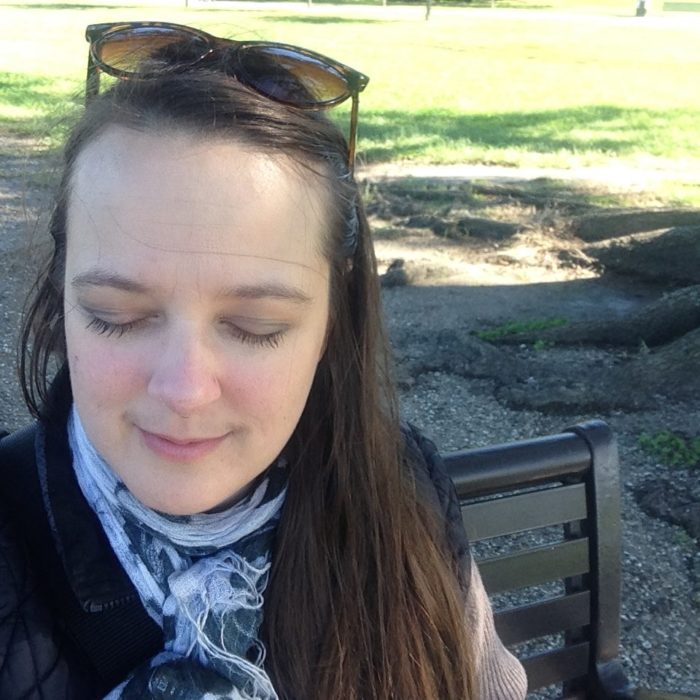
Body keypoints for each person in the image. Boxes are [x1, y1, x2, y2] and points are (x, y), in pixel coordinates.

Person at [0, 21, 527, 700]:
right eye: (117, 315)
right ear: (61, 296)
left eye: (256, 327)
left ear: (332, 320)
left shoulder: (402, 489)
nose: (185, 389)